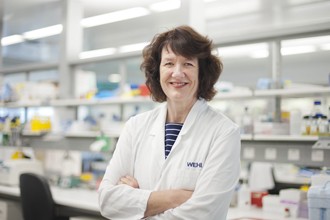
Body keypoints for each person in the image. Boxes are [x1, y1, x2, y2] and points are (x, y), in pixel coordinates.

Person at [98, 25, 241, 220]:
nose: (177, 73)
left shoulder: (223, 132)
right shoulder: (136, 126)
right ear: (157, 71)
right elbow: (107, 201)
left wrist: (136, 203)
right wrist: (175, 197)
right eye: (169, 64)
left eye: (188, 64)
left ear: (202, 73)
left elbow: (203, 214)